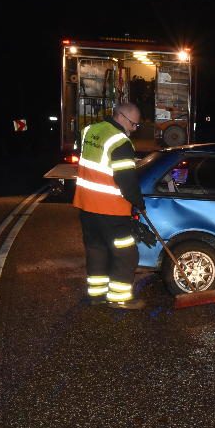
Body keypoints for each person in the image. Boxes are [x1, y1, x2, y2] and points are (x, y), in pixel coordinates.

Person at [73, 102, 146, 310]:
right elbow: (127, 180)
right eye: (133, 125)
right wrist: (138, 203)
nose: (133, 130)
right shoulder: (120, 142)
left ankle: (97, 295)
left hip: (86, 206)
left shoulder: (89, 131)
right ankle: (119, 297)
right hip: (112, 211)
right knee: (126, 254)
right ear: (122, 117)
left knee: (96, 250)